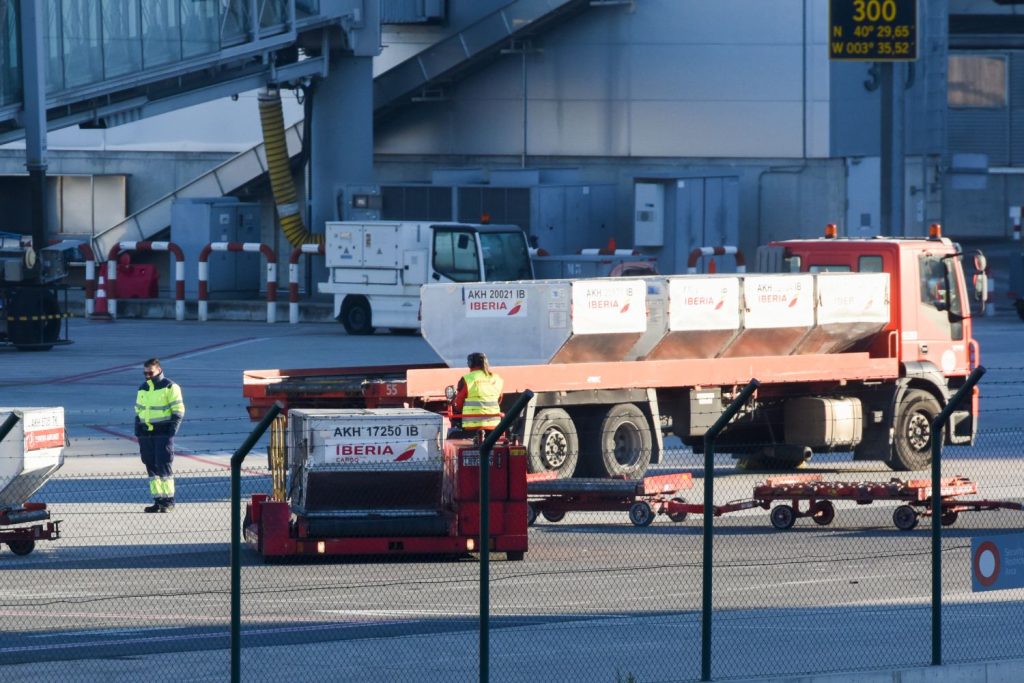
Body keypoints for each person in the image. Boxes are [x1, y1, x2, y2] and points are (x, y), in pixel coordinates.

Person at [135, 358, 185, 512]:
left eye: (150, 372)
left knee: (163, 466)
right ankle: (158, 500)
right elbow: (138, 411)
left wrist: (171, 430)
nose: (147, 376)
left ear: (159, 370)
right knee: (151, 466)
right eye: (145, 373)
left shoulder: (170, 386)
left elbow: (178, 410)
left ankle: (168, 501)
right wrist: (138, 430)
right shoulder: (143, 388)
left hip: (163, 432)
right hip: (146, 433)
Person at [451, 352, 504, 441]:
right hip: (494, 426)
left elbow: (459, 403)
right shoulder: (497, 379)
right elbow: (499, 399)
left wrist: (457, 408)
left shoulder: (467, 379)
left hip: (471, 427)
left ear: (470, 364)